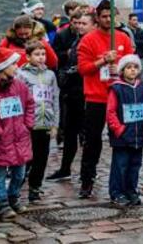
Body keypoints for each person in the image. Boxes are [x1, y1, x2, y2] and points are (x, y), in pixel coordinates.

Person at [77, 0, 134, 199]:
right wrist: (102, 61)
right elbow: (83, 69)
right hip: (96, 97)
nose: (108, 20)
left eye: (111, 16)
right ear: (97, 18)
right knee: (92, 141)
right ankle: (87, 179)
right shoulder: (88, 40)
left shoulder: (123, 38)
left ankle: (121, 182)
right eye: (104, 16)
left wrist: (118, 67)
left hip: (118, 95)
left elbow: (132, 65)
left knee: (121, 139)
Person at [0, 47, 34, 220]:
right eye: (13, 64)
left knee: (20, 172)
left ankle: (14, 196)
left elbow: (30, 104)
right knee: (1, 173)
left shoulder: (20, 86)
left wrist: (28, 124)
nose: (16, 67)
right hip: (2, 138)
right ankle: (2, 202)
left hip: (20, 136)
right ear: (3, 67)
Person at [47, 11, 96, 181]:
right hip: (72, 92)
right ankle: (65, 168)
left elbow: (85, 67)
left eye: (84, 24)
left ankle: (88, 173)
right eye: (78, 23)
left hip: (87, 93)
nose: (80, 26)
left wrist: (70, 71)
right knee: (70, 133)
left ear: (92, 25)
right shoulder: (75, 39)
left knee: (89, 136)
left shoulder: (92, 41)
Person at [106, 54, 143, 207]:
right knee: (120, 164)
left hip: (140, 133)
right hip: (123, 134)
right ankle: (116, 192)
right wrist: (118, 129)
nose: (132, 71)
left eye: (135, 67)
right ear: (122, 70)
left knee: (135, 165)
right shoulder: (117, 88)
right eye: (129, 68)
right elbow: (111, 111)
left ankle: (131, 190)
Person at [16, 41, 59, 203]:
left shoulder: (50, 75)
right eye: (37, 54)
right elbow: (20, 100)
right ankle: (16, 187)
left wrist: (55, 123)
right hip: (29, 124)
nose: (41, 58)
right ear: (28, 57)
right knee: (26, 158)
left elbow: (55, 99)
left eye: (43, 54)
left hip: (45, 123)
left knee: (42, 157)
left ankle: (35, 187)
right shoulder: (22, 75)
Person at [53, 8, 82, 146]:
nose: (77, 26)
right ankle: (62, 134)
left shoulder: (84, 35)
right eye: (75, 22)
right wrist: (67, 53)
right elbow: (55, 54)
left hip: (80, 74)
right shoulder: (62, 34)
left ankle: (82, 135)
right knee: (64, 106)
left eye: (80, 23)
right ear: (70, 22)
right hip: (65, 72)